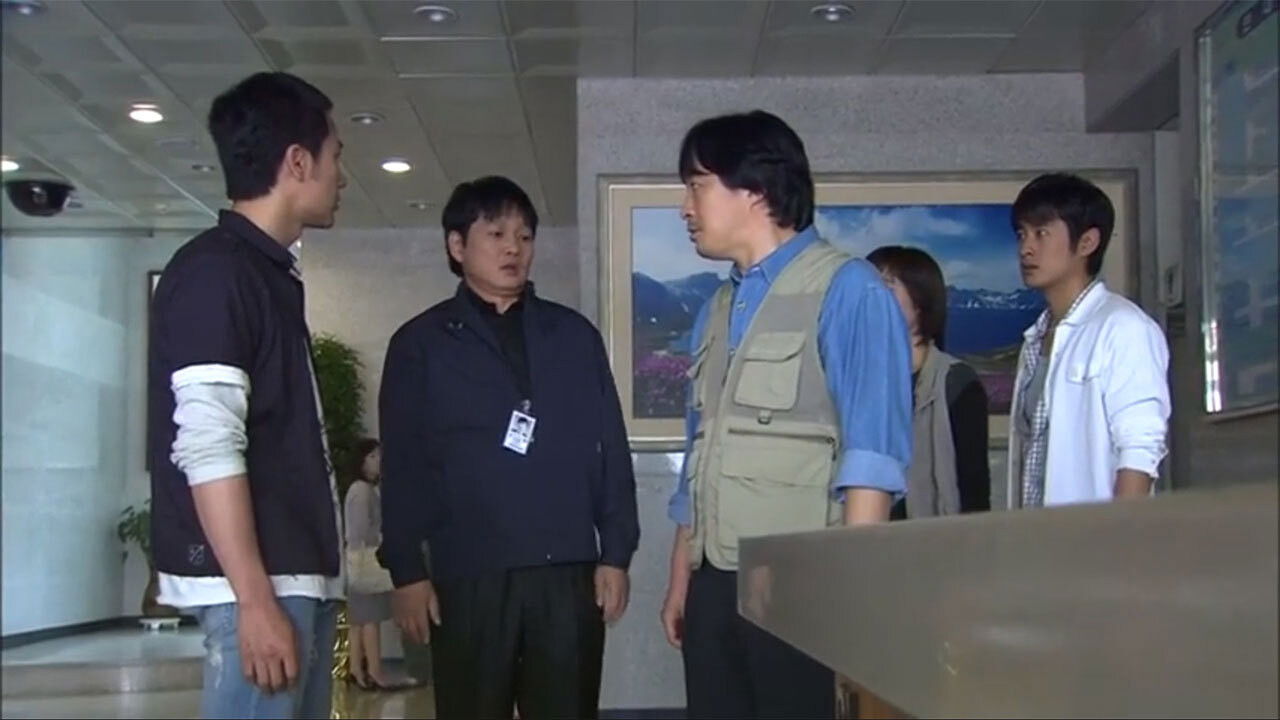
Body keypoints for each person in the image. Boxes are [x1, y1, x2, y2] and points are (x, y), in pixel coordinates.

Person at [659, 110, 913, 719]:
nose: (685, 207)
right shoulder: (715, 309)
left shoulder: (850, 291)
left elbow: (872, 459)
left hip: (804, 588)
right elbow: (700, 455)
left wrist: (853, 605)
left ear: (755, 189)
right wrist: (681, 579)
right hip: (714, 584)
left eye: (697, 186)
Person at [377, 176, 640, 719]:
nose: (513, 248)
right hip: (468, 576)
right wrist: (407, 572)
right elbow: (403, 468)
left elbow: (611, 448)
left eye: (524, 236)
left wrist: (616, 553)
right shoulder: (420, 344)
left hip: (565, 574)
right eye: (496, 234)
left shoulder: (574, 336)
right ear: (457, 246)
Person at [148, 72, 345, 719]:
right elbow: (208, 444)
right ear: (298, 162)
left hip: (287, 578)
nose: (341, 175)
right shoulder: (217, 273)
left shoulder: (264, 273)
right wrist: (255, 599)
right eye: (335, 155)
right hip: (258, 588)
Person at [1008, 173, 1170, 507]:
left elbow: (1140, 448)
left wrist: (1117, 531)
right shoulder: (1036, 337)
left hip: (1094, 532)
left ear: (1087, 243)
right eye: (1022, 234)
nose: (1026, 248)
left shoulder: (1123, 327)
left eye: (1041, 233)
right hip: (1036, 531)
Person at [867, 246, 991, 518]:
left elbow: (974, 490)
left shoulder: (956, 382)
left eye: (886, 286)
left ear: (920, 301)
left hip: (931, 535)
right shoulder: (855, 379)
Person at [343, 438, 408, 691]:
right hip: (365, 561)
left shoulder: (359, 489)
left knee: (359, 620)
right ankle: (375, 671)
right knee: (370, 618)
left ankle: (356, 670)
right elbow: (362, 531)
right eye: (372, 456)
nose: (378, 461)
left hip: (355, 561)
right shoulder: (362, 491)